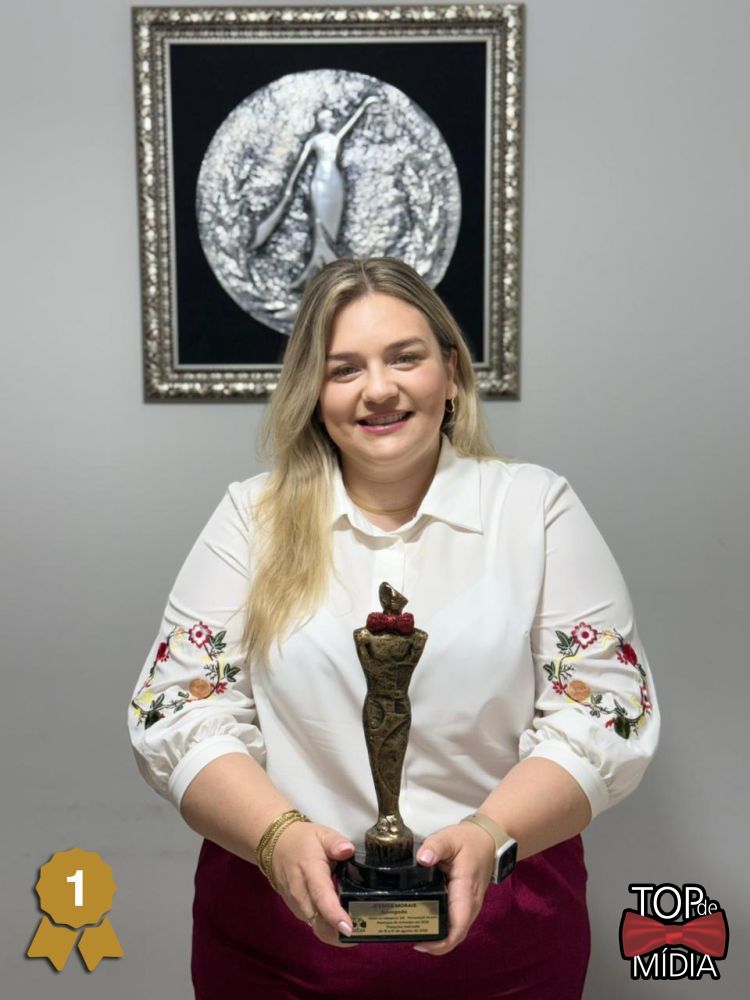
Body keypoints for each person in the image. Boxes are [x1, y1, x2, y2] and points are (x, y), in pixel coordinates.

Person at [128, 257, 659, 999]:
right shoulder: (252, 518)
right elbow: (178, 711)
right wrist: (277, 836)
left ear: (451, 372)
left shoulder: (535, 510)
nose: (378, 389)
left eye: (404, 358)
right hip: (281, 942)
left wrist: (487, 835)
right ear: (313, 394)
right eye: (344, 369)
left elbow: (604, 712)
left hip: (502, 935)